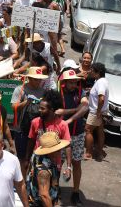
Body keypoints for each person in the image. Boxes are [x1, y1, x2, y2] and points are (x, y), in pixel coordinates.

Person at [55, 70, 87, 205]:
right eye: (71, 82)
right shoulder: (57, 92)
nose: (74, 85)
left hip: (77, 133)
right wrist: (76, 109)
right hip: (61, 134)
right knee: (58, 162)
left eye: (75, 82)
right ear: (65, 82)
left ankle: (75, 192)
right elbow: (56, 111)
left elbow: (85, 106)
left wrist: (69, 118)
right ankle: (55, 189)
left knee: (76, 162)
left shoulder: (81, 92)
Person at [10, 67, 48, 162]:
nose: (38, 81)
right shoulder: (20, 90)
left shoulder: (43, 92)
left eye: (40, 79)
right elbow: (13, 107)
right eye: (36, 79)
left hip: (38, 131)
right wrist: (26, 103)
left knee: (38, 158)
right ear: (29, 78)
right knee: (22, 159)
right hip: (22, 130)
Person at [84, 62, 108, 161]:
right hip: (100, 110)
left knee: (88, 130)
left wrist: (97, 111)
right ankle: (99, 151)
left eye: (92, 70)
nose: (90, 72)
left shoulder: (100, 82)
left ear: (97, 72)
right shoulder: (101, 81)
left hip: (95, 111)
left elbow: (101, 98)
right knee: (100, 130)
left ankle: (89, 153)